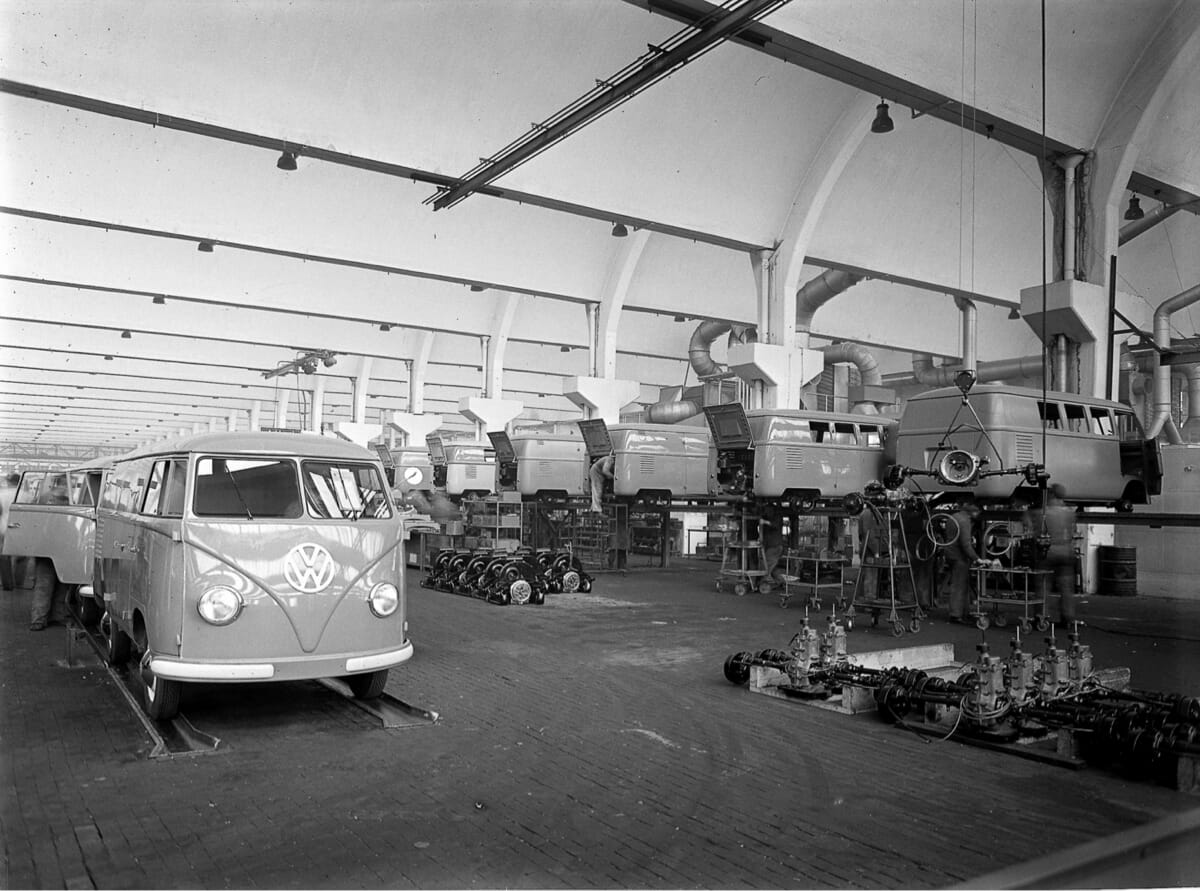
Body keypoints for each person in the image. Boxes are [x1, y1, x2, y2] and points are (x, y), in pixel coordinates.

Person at [1025, 483, 1078, 624]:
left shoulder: (1043, 512)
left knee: (1043, 585)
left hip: (1047, 552)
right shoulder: (1069, 513)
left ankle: (1041, 617)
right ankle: (1068, 617)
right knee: (1066, 587)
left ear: (1051, 494)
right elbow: (1072, 532)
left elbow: (1027, 520)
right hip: (1066, 551)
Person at [943, 501, 983, 623]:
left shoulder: (954, 517)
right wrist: (977, 558)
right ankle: (956, 614)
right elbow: (966, 544)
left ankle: (962, 612)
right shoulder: (965, 521)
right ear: (974, 512)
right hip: (959, 556)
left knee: (960, 583)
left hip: (950, 553)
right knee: (959, 585)